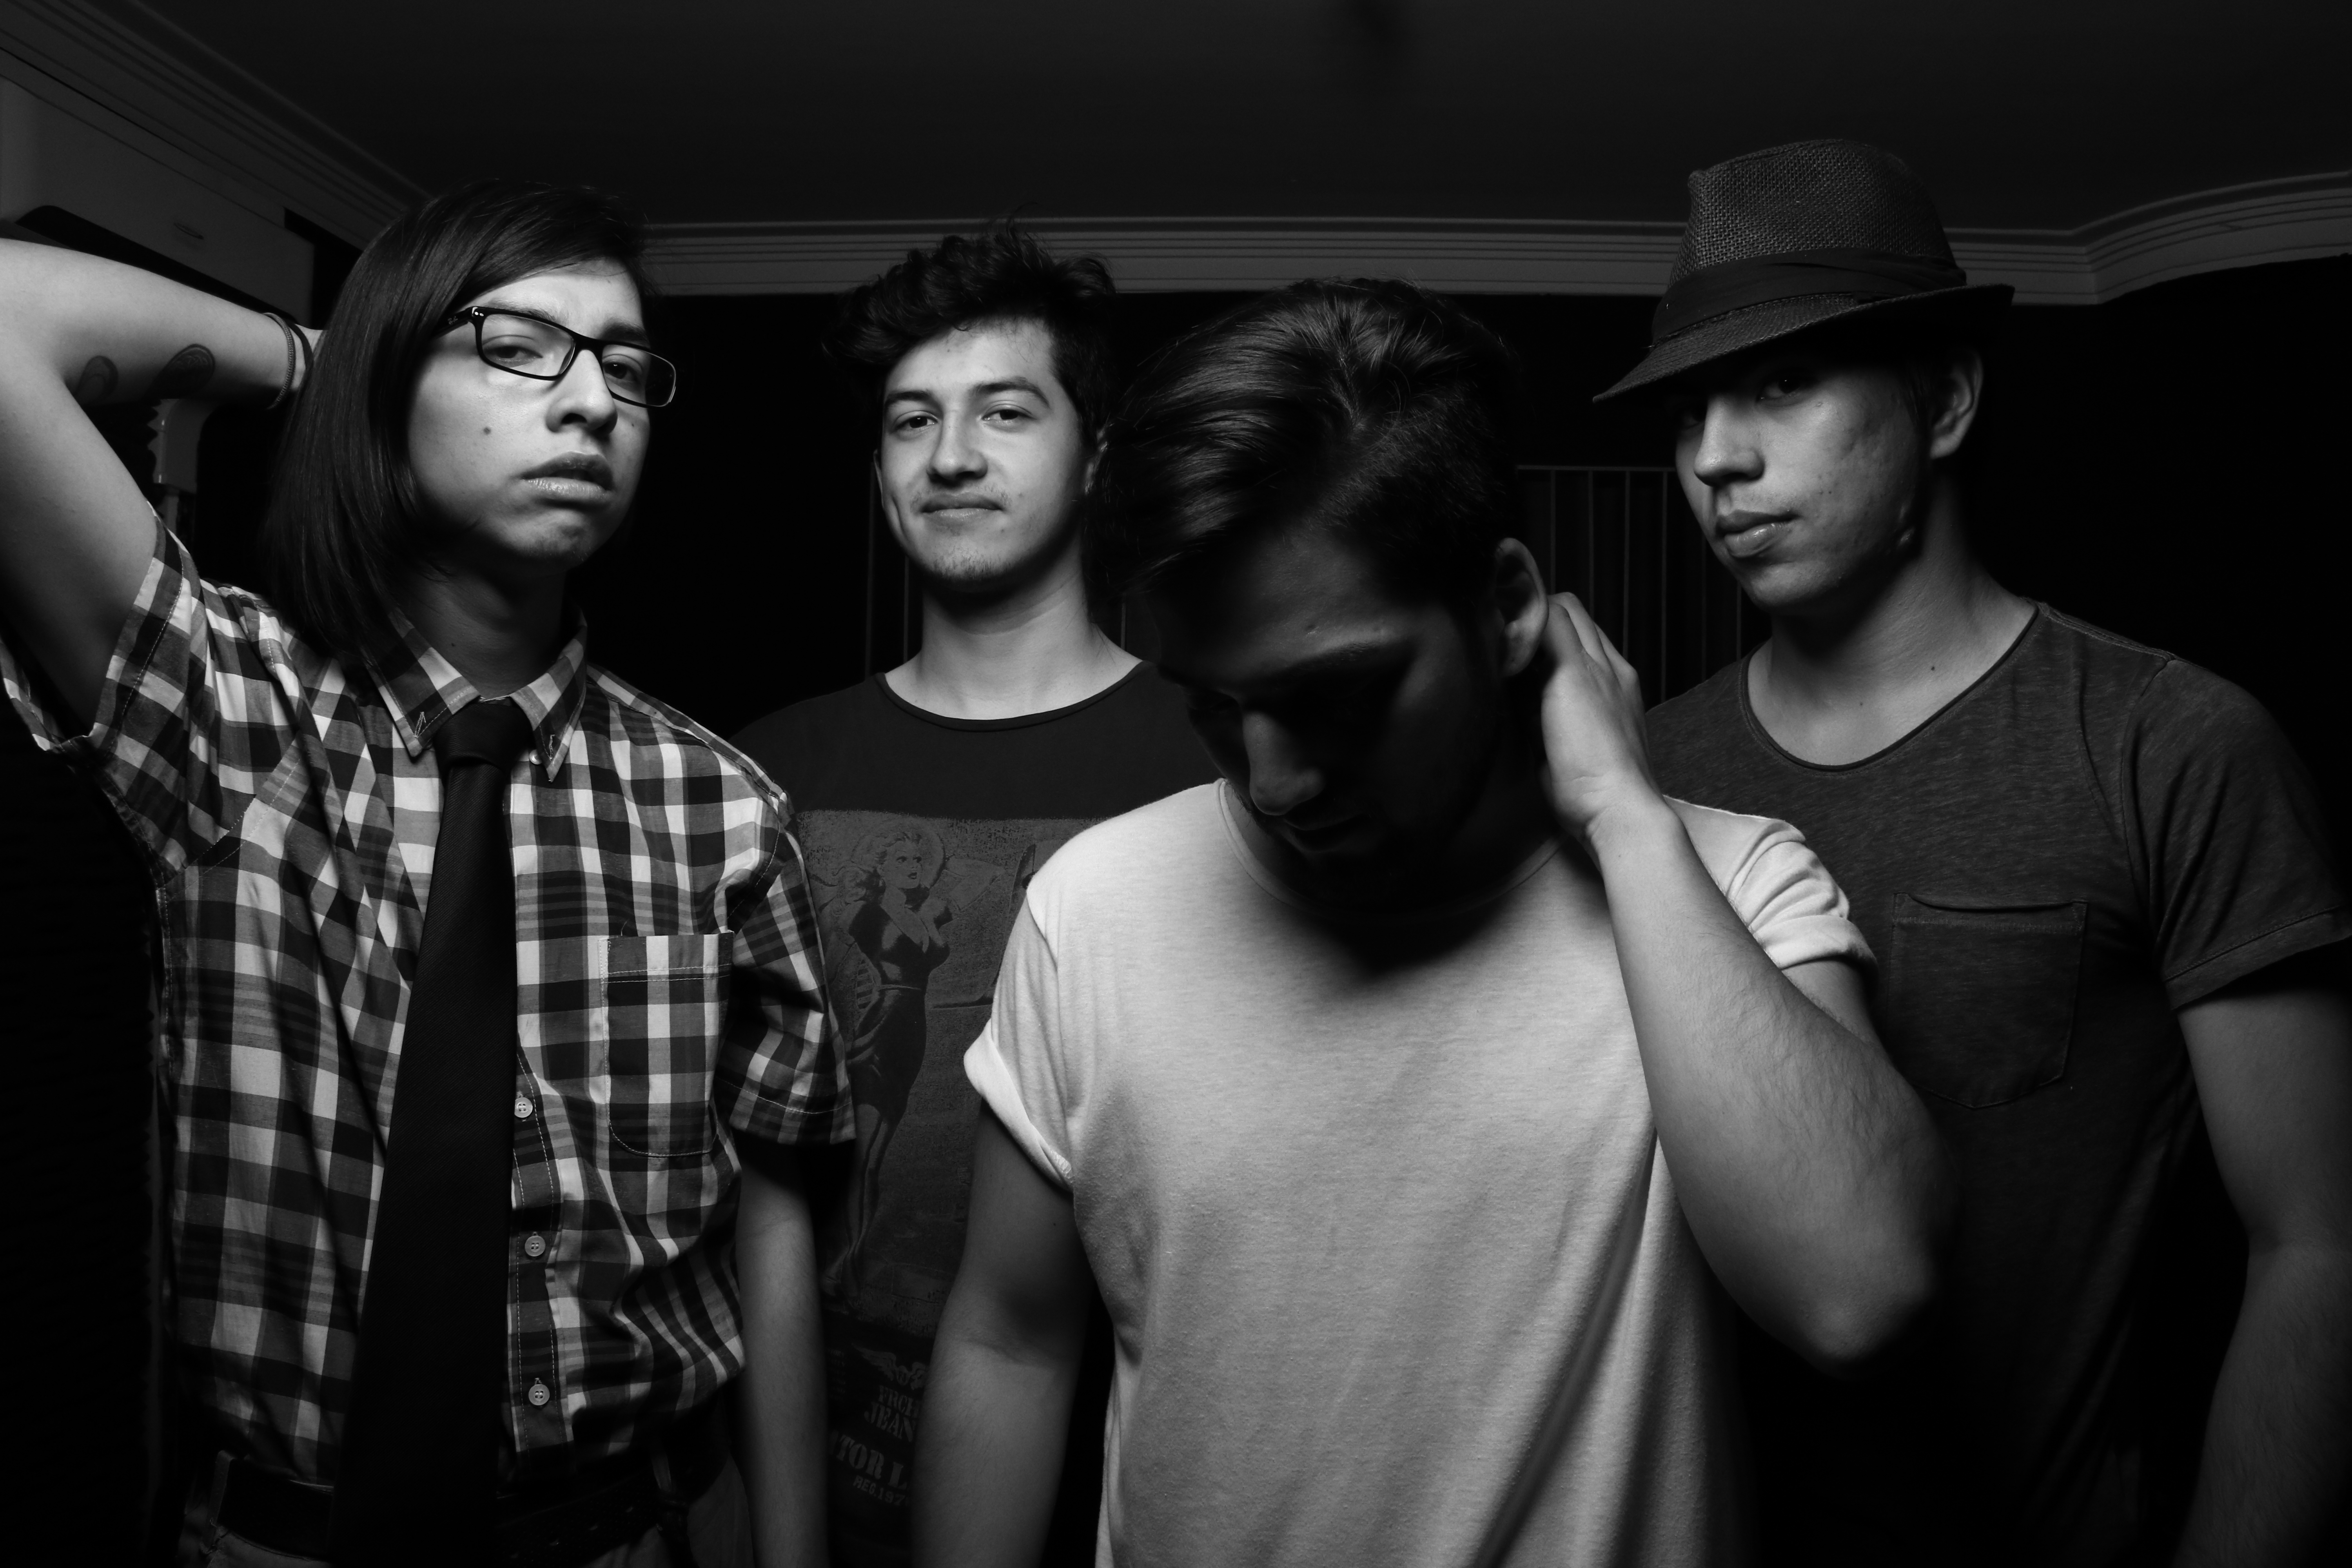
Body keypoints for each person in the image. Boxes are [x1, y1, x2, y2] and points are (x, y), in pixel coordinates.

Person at [910, 279, 1955, 1567]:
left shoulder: (1729, 888)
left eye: (1338, 696)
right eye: (1216, 707)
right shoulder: (1094, 906)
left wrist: (1627, 818)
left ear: (1507, 606)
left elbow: (1862, 1295)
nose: (1274, 782)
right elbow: (1011, 1344)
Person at [0, 181, 849, 1567]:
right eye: (520, 346)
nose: (594, 404)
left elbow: (769, 1234)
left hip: (633, 1531)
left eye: (627, 367)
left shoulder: (721, 808)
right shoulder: (230, 713)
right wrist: (330, 363)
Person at [1618, 140, 2352, 1567]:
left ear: (1946, 401)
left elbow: (2320, 1244)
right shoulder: (1641, 783)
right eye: (1690, 409)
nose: (1717, 457)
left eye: (1783, 383)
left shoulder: (2167, 743)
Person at [731, 225, 1214, 1566]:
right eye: (911, 421)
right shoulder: (763, 773)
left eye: (1006, 412)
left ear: (1095, 455)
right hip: (811, 1474)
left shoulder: (1217, 760)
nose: (951, 456)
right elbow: (747, 1188)